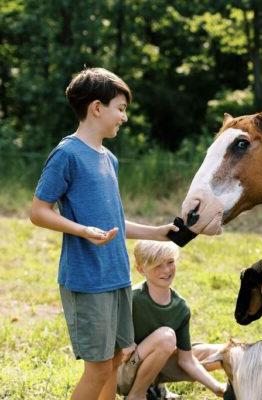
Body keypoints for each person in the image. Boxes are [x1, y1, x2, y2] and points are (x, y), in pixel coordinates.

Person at [30, 67, 179, 400]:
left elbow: (114, 221)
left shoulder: (109, 159)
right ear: (97, 108)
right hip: (87, 280)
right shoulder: (66, 154)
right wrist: (83, 230)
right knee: (97, 369)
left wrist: (158, 233)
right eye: (120, 108)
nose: (123, 117)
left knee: (115, 360)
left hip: (117, 277)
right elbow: (38, 212)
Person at [116, 240, 227, 399]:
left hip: (155, 370)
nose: (166, 270)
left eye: (170, 262)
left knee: (222, 353)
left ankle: (155, 389)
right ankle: (136, 395)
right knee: (166, 337)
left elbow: (187, 361)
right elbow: (105, 332)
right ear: (141, 269)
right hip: (122, 372)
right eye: (157, 265)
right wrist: (123, 341)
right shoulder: (132, 299)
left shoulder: (180, 307)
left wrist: (217, 388)